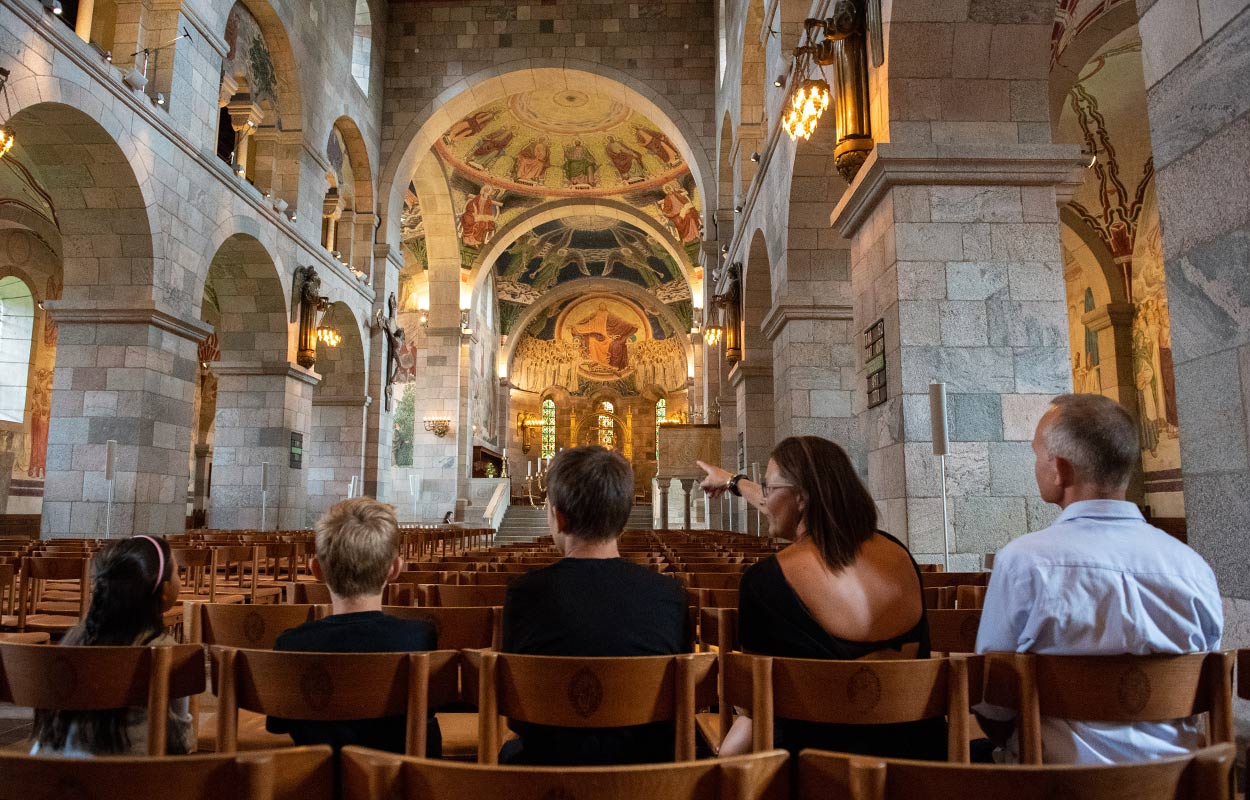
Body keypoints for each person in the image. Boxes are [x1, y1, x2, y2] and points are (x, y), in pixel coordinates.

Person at [974, 393, 1221, 764]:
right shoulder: (1192, 567)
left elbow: (994, 706)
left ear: (1058, 468)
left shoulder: (1024, 563)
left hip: (1055, 786)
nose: (1035, 465)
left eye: (1036, 454)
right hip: (1172, 784)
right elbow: (1206, 687)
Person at [697, 436, 946, 760]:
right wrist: (734, 482)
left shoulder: (765, 582)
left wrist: (718, 767)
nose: (766, 500)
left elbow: (756, 713)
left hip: (816, 774)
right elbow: (786, 502)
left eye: (769, 489)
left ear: (800, 498)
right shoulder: (899, 556)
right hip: (919, 769)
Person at [501, 446, 689, 765]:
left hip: (545, 773)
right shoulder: (670, 594)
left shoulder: (523, 594)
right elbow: (678, 707)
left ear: (559, 518)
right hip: (649, 778)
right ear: (624, 518)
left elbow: (516, 715)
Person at [267, 498, 441, 756]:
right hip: (399, 782)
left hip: (316, 782)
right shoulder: (419, 638)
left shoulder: (290, 645)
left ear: (316, 570)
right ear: (394, 569)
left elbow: (279, 726)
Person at [31, 536, 192, 756]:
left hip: (54, 773)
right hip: (130, 779)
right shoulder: (166, 650)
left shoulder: (74, 638)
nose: (179, 578)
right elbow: (180, 743)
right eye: (177, 572)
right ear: (164, 590)